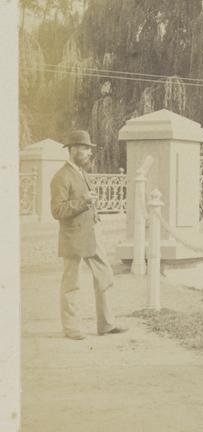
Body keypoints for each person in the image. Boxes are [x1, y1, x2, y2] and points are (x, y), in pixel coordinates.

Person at [50, 130, 127, 340]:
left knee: (104, 275)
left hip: (91, 234)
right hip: (72, 236)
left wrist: (91, 208)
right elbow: (57, 211)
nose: (88, 153)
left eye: (88, 149)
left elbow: (85, 200)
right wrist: (84, 201)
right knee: (71, 283)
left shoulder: (81, 172)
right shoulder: (61, 176)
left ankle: (106, 324)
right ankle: (71, 328)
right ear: (73, 149)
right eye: (84, 149)